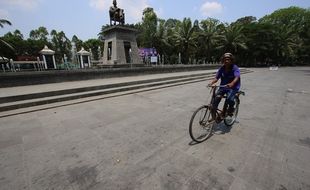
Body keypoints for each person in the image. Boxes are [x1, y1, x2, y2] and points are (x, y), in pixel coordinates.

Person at [208, 52, 241, 118]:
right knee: (215, 100)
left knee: (229, 99)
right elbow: (216, 77)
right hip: (223, 87)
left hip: (233, 87)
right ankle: (214, 117)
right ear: (223, 60)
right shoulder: (222, 68)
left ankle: (231, 108)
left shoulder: (235, 68)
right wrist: (211, 83)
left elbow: (237, 77)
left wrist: (232, 83)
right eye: (225, 59)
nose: (226, 61)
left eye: (228, 59)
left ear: (231, 60)